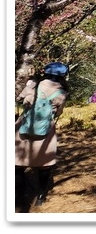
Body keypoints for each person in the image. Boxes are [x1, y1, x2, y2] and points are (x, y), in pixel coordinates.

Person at [15, 62, 70, 207]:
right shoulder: (62, 92)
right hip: (46, 130)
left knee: (18, 164)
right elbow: (58, 112)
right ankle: (40, 196)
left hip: (23, 129)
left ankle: (20, 195)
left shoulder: (32, 85)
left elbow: (19, 99)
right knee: (44, 164)